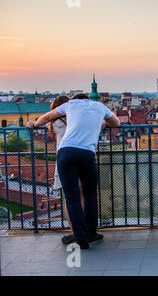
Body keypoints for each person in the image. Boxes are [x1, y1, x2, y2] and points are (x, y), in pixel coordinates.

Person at [28, 93, 120, 249]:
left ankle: (80, 240)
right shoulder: (99, 106)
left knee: (72, 198)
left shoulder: (70, 105)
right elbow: (116, 123)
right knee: (90, 195)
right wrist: (101, 122)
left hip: (66, 152)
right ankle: (91, 234)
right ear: (88, 99)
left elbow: (47, 117)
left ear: (76, 100)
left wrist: (34, 125)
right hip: (86, 154)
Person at [48, 95, 84, 245]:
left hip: (63, 160)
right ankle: (83, 229)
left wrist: (32, 123)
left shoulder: (55, 123)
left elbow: (41, 122)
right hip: (79, 158)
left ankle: (74, 231)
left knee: (69, 199)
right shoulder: (75, 120)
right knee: (81, 197)